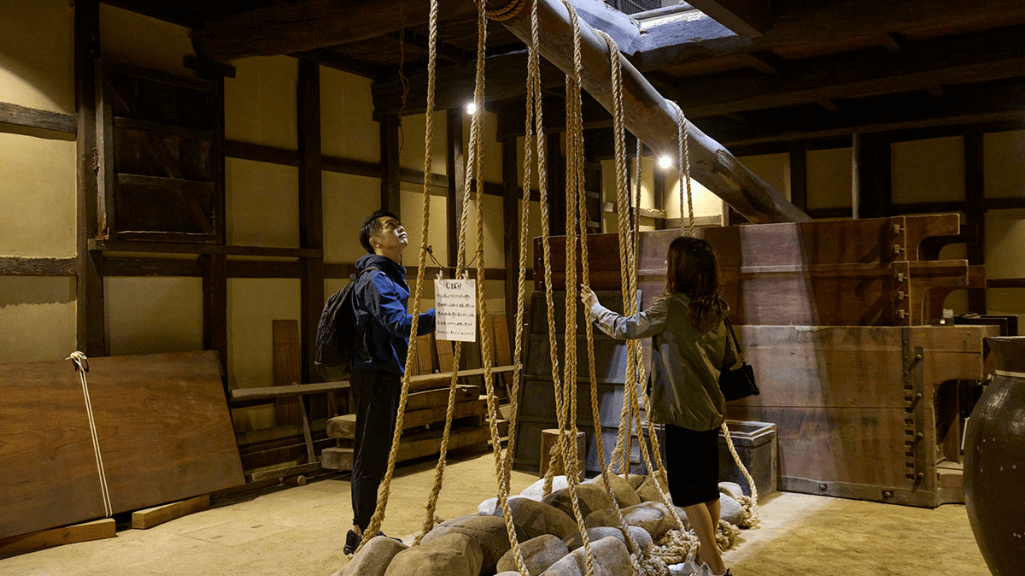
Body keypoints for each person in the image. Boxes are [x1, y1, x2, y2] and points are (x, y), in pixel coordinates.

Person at [580, 236, 736, 576]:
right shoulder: (717, 308)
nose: (667, 268)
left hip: (681, 413)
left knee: (686, 494)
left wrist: (594, 309)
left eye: (671, 262)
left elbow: (626, 328)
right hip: (711, 411)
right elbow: (728, 358)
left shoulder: (671, 307)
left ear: (682, 269)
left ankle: (719, 570)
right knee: (708, 490)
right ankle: (701, 563)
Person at [345, 210, 436, 555]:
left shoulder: (391, 276)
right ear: (375, 241)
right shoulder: (374, 280)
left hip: (385, 371)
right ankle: (361, 530)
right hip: (374, 374)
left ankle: (364, 528)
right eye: (388, 226)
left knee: (377, 452)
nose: (398, 227)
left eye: (399, 223)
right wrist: (439, 315)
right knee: (370, 454)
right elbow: (398, 324)